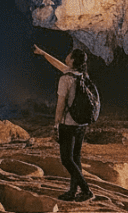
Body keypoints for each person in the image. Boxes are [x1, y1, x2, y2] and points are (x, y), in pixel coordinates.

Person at [34, 44, 94, 202]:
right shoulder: (81, 75)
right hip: (81, 124)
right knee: (76, 158)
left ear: (72, 60)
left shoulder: (65, 79)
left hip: (68, 124)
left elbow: (60, 104)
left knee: (67, 159)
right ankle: (73, 192)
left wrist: (56, 124)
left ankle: (86, 191)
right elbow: (59, 64)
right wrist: (43, 53)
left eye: (69, 55)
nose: (65, 56)